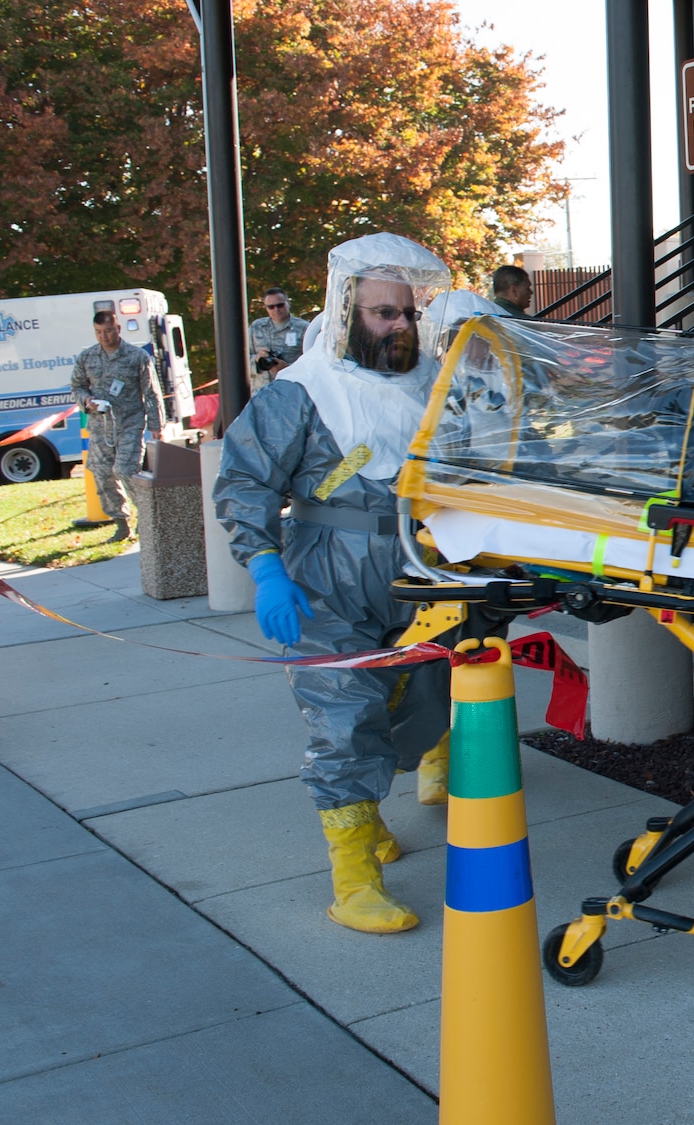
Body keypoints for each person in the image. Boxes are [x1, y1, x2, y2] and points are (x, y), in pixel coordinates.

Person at [214, 233, 456, 935]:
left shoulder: (432, 386)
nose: (400, 327)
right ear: (349, 312)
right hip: (325, 576)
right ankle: (354, 877)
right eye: (385, 314)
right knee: (344, 713)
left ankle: (369, 811)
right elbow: (245, 480)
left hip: (420, 572)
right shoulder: (302, 391)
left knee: (418, 701)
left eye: (407, 314)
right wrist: (264, 569)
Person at [70, 310, 159, 542]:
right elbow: (77, 386)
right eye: (99, 332)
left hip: (130, 423)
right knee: (102, 472)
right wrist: (86, 401)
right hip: (101, 426)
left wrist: (157, 424)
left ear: (118, 329)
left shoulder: (136, 357)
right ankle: (120, 523)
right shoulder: (87, 357)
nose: (104, 336)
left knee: (126, 470)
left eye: (108, 330)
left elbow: (151, 393)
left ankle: (148, 517)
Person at [248, 287, 311, 392]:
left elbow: (314, 363)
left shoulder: (304, 328)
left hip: (291, 392)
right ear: (266, 308)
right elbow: (240, 361)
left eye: (280, 305)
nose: (276, 310)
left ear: (288, 303)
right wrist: (257, 359)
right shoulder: (256, 327)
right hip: (261, 394)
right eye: (271, 307)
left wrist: (287, 368)